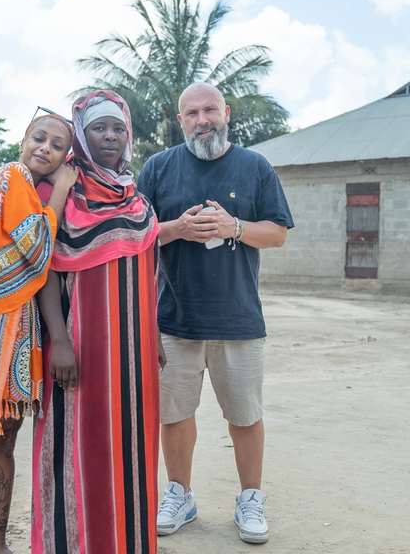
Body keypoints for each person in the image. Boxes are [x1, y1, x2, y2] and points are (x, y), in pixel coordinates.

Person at [136, 82, 294, 545]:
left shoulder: (255, 167)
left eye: (210, 110)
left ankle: (250, 500)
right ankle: (180, 494)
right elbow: (136, 233)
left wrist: (236, 226)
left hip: (239, 320)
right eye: (192, 113)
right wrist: (177, 227)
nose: (203, 119)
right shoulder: (158, 168)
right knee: (174, 413)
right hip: (174, 319)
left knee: (244, 416)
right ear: (180, 120)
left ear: (226, 113)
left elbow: (278, 233)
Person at [31, 90, 164, 554]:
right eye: (98, 128)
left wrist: (155, 335)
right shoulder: (61, 191)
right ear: (82, 138)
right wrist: (59, 340)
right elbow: (44, 265)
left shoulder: (137, 198)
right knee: (76, 449)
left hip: (135, 352)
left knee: (131, 448)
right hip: (81, 346)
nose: (109, 136)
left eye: (117, 128)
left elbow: (147, 270)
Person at [0, 113, 78, 554]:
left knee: (5, 440)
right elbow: (38, 246)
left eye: (57, 145)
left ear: (66, 153)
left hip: (19, 335)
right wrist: (61, 189)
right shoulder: (11, 178)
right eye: (39, 138)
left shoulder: (21, 184)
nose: (45, 147)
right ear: (23, 140)